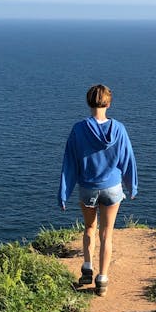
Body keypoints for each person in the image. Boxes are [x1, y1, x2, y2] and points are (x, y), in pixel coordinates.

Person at [59, 84, 138, 296]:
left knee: (89, 228)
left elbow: (70, 163)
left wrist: (63, 193)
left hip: (87, 187)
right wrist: (132, 186)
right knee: (107, 234)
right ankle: (102, 280)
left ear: (88, 102)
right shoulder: (119, 129)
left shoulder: (78, 129)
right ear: (109, 103)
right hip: (112, 188)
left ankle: (87, 267)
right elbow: (128, 159)